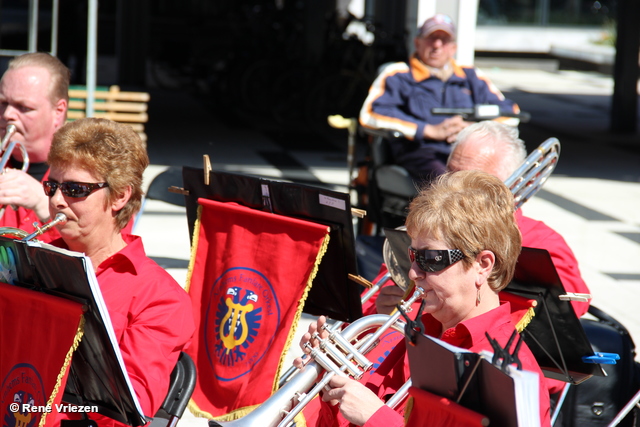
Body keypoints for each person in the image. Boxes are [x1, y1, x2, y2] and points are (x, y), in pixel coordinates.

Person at [295, 170, 551, 427]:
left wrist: (376, 418)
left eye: (431, 259)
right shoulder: (420, 335)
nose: (413, 273)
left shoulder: (510, 371)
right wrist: (329, 388)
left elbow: (374, 418)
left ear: (482, 264)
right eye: (413, 256)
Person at [47, 118, 195, 426]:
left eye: (74, 189)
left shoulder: (162, 299)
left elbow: (127, 409)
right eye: (52, 186)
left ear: (120, 196)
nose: (56, 200)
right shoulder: (30, 257)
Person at [369, 121, 590, 319]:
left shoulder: (542, 241)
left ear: (506, 187)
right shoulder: (425, 230)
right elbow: (371, 303)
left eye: (472, 180)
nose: (454, 186)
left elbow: (563, 314)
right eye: (450, 172)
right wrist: (378, 308)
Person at [359, 14, 519, 184]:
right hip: (421, 152)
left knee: (501, 178)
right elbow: (371, 114)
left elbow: (511, 113)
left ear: (453, 48)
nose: (437, 45)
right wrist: (428, 130)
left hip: (468, 151)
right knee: (451, 185)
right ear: (417, 42)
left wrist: (471, 130)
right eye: (431, 38)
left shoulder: (470, 75)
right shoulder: (397, 74)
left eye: (444, 40)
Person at [0, 52, 70, 240]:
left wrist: (44, 204)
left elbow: (105, 256)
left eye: (24, 107)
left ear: (58, 111)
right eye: (3, 103)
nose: (7, 114)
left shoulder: (92, 173)